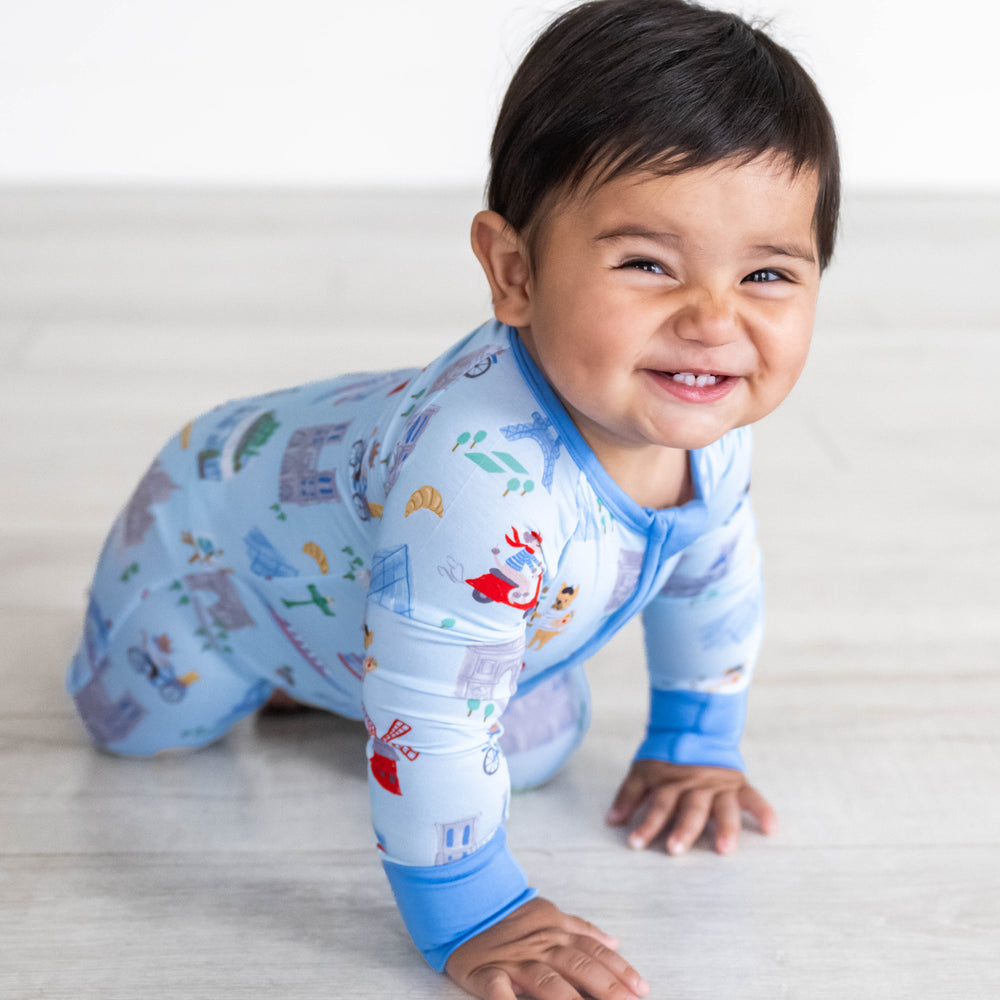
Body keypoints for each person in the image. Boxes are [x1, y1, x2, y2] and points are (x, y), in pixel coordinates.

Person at [65, 1, 839, 997]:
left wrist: (694, 743)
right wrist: (474, 905)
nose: (711, 320)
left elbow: (710, 574)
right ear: (514, 271)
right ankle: (278, 661)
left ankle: (343, 666)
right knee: (142, 723)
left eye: (768, 273)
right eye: (648, 264)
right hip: (205, 533)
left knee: (538, 745)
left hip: (383, 593)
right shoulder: (475, 478)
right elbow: (430, 711)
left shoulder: (702, 424)